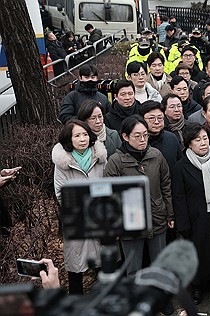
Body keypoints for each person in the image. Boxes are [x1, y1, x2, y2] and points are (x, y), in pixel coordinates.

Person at [104, 115, 174, 277]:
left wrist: (170, 213)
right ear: (125, 137)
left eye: (145, 135)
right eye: (137, 136)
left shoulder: (156, 155)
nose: (143, 139)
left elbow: (166, 185)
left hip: (157, 216)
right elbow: (110, 195)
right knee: (133, 268)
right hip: (130, 221)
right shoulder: (115, 161)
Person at [172, 123, 210, 305]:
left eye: (205, 138)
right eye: (197, 140)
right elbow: (179, 197)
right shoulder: (180, 167)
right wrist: (183, 224)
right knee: (198, 254)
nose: (203, 143)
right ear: (189, 144)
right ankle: (197, 287)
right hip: (195, 219)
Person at [52, 119, 106, 294]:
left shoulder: (99, 157)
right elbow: (61, 194)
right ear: (69, 139)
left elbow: (109, 184)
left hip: (99, 217)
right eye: (77, 135)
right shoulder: (62, 163)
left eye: (85, 134)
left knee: (102, 263)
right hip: (76, 218)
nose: (82, 139)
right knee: (76, 264)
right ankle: (76, 301)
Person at [139, 100, 182, 170]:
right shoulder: (137, 141)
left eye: (160, 118)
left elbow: (179, 165)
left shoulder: (171, 138)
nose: (156, 122)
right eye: (151, 118)